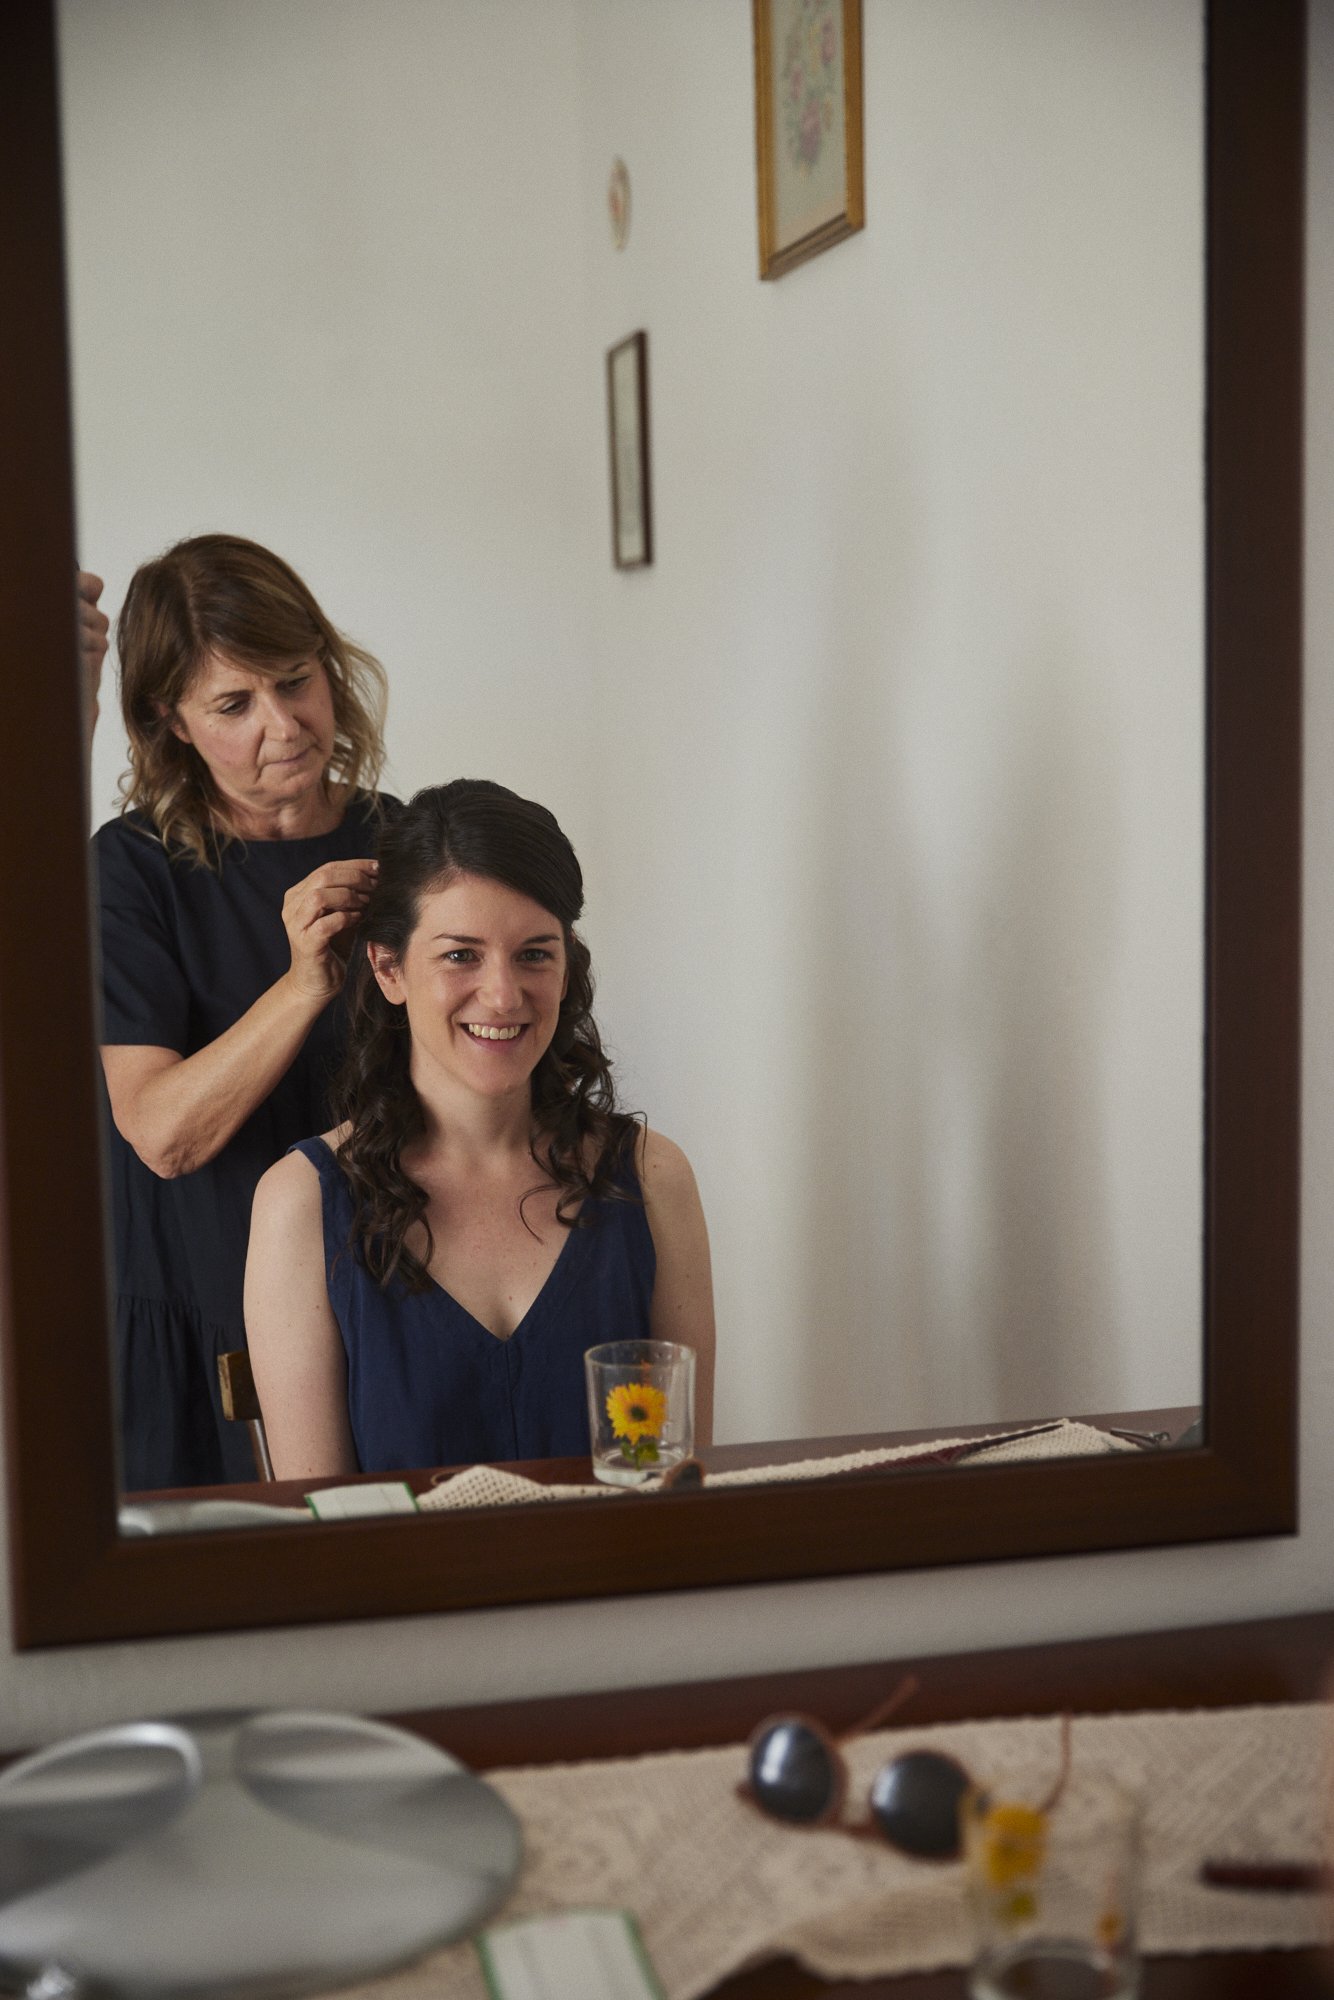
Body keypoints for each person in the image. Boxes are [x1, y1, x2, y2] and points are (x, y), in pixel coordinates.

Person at [244, 779, 716, 1479]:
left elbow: (682, 1491)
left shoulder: (652, 1177)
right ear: (387, 967)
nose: (503, 995)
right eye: (461, 955)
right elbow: (324, 1536)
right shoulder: (299, 1204)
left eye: (534, 953)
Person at [93, 533, 396, 1489]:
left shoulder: (403, 840)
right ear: (170, 720)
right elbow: (163, 1134)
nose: (285, 723)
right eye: (234, 703)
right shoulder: (131, 872)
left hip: (378, 1303)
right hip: (192, 1317)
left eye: (295, 680)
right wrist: (306, 981)